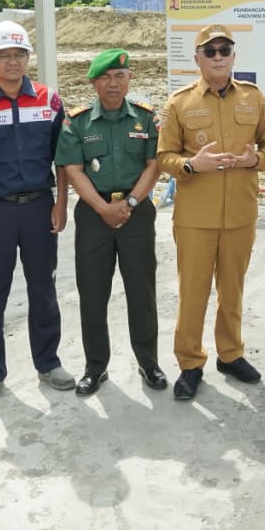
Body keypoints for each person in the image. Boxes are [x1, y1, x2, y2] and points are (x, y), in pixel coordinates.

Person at [0, 20, 75, 407]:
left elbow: (64, 158)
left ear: (27, 57)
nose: (13, 62)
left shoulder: (49, 102)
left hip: (39, 209)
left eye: (19, 54)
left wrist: (60, 203)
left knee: (44, 289)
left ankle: (48, 362)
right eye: (4, 55)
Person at [156, 24, 265, 401]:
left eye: (224, 51)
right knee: (193, 293)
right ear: (196, 58)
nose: (217, 58)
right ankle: (190, 363)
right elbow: (164, 157)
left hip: (240, 213)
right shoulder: (180, 103)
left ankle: (230, 354)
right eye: (209, 52)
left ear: (233, 56)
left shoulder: (253, 98)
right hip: (196, 217)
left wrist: (255, 159)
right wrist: (193, 165)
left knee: (233, 290)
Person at [55, 48, 167, 396]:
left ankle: (149, 362)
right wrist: (103, 209)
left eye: (120, 76)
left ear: (130, 78)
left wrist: (131, 202)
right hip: (93, 215)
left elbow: (154, 165)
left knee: (142, 291)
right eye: (105, 77)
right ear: (93, 82)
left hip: (136, 213)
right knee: (92, 292)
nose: (113, 83)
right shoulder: (78, 121)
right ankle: (95, 366)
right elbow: (72, 169)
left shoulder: (147, 119)